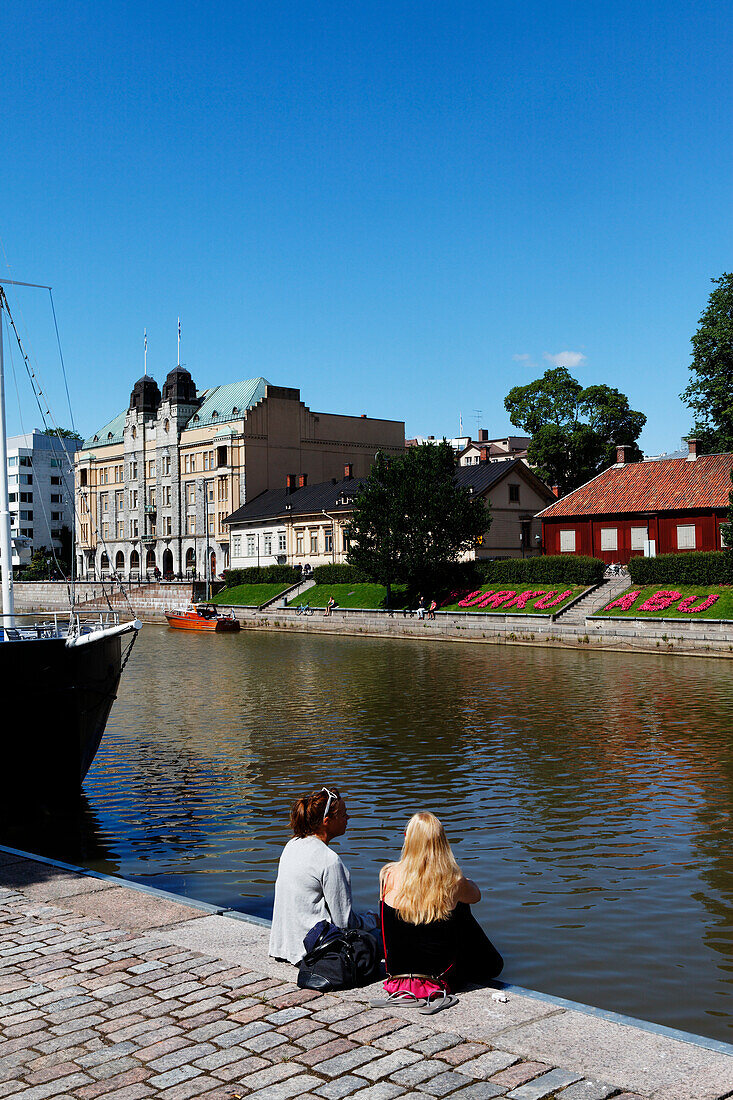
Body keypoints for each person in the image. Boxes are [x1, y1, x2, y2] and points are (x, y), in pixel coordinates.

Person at [379, 812, 503, 991]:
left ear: (407, 840)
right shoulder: (452, 881)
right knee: (461, 906)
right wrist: (458, 878)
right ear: (441, 842)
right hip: (437, 980)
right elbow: (476, 895)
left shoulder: (387, 874)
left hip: (397, 976)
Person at [269, 787, 378, 964]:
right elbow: (344, 922)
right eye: (343, 815)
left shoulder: (292, 844)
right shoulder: (330, 861)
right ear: (327, 821)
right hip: (314, 951)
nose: (348, 818)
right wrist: (372, 920)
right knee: (380, 935)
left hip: (284, 946)